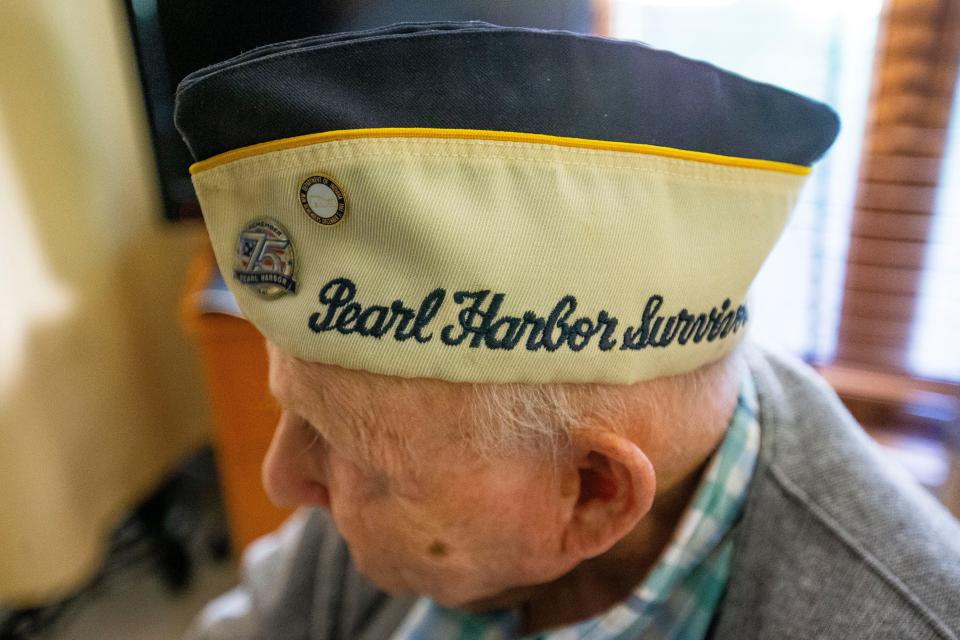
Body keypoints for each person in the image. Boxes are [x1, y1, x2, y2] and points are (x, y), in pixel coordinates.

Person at [174, 22, 960, 639]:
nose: (285, 482)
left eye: (344, 445)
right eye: (298, 414)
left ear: (592, 493)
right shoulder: (379, 478)